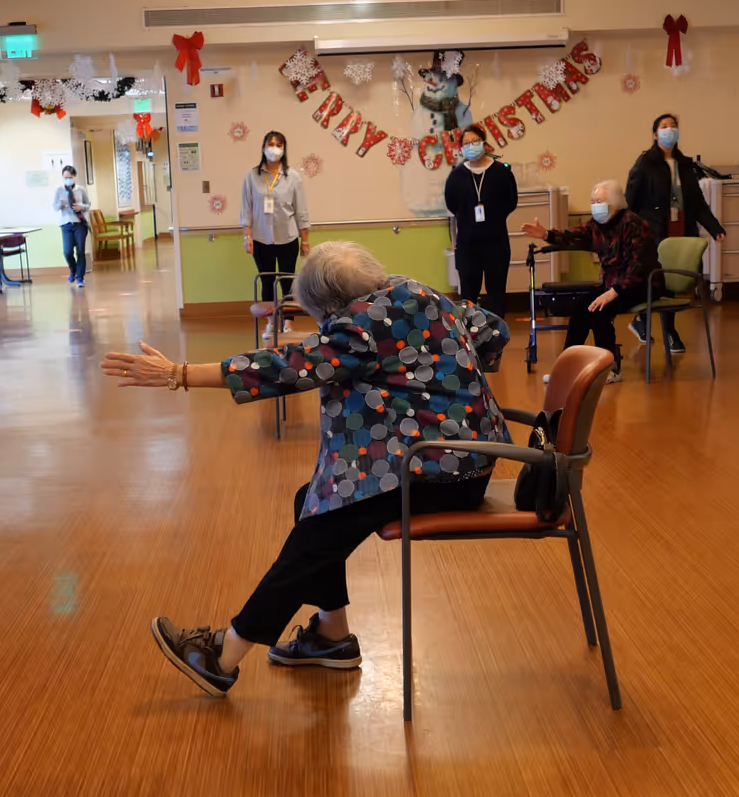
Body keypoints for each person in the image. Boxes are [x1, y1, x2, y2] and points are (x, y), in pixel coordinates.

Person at [100, 241, 510, 697]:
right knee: (311, 500)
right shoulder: (416, 291)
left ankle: (224, 655)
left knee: (318, 530)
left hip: (434, 472)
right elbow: (491, 328)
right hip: (471, 459)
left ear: (331, 306)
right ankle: (331, 637)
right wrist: (438, 371)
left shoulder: (357, 326)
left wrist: (180, 372)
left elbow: (286, 367)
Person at [520, 179, 656, 381]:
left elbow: (640, 265)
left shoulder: (633, 224)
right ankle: (567, 367)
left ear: (615, 203)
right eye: (592, 201)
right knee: (582, 308)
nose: (595, 205)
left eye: (599, 201)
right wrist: (547, 234)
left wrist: (613, 292)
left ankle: (609, 368)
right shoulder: (597, 226)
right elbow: (572, 236)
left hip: (641, 284)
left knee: (600, 310)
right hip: (611, 283)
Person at [624, 113, 724, 355]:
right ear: (656, 134)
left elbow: (697, 202)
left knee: (676, 280)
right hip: (654, 230)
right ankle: (670, 332)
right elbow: (631, 200)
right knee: (662, 280)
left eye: (674, 126)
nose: (670, 130)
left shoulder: (685, 164)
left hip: (681, 227)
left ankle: (642, 321)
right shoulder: (645, 163)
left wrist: (714, 227)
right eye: (664, 126)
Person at [443, 123, 517, 320]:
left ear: (484, 143)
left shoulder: (501, 172)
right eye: (466, 143)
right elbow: (452, 203)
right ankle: (469, 336)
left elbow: (511, 201)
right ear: (461, 148)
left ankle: (497, 334)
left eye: (475, 141)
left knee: (496, 292)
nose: (471, 146)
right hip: (467, 244)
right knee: (468, 295)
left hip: (497, 243)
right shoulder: (456, 175)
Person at [239, 131, 309, 304]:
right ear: (263, 148)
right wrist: (247, 236)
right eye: (271, 145)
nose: (274, 149)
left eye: (279, 145)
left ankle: (288, 322)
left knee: (287, 282)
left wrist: (305, 241)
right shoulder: (252, 176)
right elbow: (246, 208)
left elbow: (301, 210)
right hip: (261, 239)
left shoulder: (293, 177)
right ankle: (270, 321)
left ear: (284, 150)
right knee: (267, 282)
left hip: (288, 237)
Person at [56, 164, 92, 287]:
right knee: (67, 251)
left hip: (79, 224)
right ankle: (73, 270)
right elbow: (55, 207)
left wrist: (81, 207)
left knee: (80, 251)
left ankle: (80, 278)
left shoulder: (80, 189)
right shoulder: (59, 190)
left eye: (70, 177)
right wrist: (60, 204)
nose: (68, 179)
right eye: (65, 177)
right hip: (66, 224)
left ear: (74, 177)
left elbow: (88, 205)